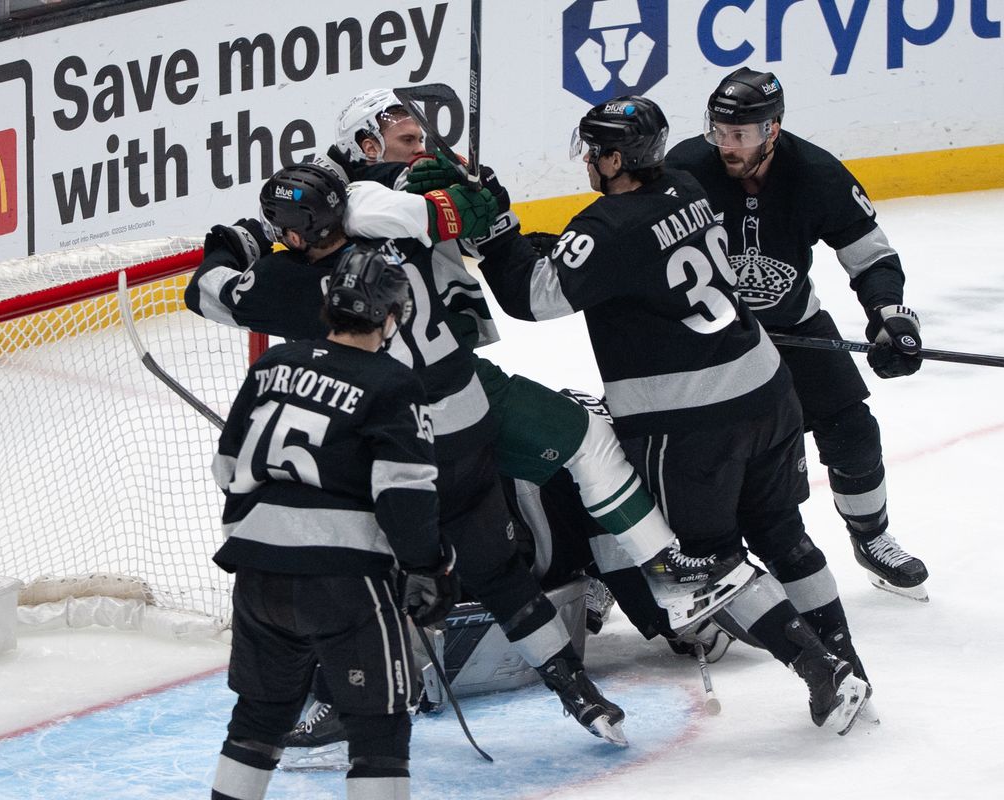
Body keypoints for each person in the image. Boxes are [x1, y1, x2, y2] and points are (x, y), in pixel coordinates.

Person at [186, 163, 628, 743]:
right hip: (470, 422)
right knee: (496, 571)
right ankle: (578, 690)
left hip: (403, 443)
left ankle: (345, 701)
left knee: (361, 577)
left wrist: (229, 248)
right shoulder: (395, 240)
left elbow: (207, 292)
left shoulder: (289, 282)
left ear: (294, 231)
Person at [472, 94, 872, 734]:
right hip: (767, 390)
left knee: (700, 563)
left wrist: (494, 237)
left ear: (612, 157)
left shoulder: (605, 228)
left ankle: (818, 666)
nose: (588, 162)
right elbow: (592, 257)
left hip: (691, 420)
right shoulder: (685, 186)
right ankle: (850, 664)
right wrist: (514, 235)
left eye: (593, 150)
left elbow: (533, 294)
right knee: (782, 531)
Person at [330, 88, 753, 629]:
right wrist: (456, 198)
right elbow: (399, 208)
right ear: (367, 145)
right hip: (403, 404)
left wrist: (483, 201)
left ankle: (647, 573)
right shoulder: (353, 202)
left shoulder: (397, 182)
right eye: (407, 140)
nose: (422, 149)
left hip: (454, 380)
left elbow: (456, 212)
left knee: (579, 444)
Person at [665, 67, 929, 601]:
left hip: (794, 322)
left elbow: (870, 255)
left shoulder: (816, 173)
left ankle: (871, 537)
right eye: (718, 131)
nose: (725, 144)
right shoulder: (685, 169)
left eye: (739, 134)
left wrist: (889, 314)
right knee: (688, 448)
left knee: (852, 427)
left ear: (772, 129)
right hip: (709, 335)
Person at [208, 245, 457, 800]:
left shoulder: (272, 364)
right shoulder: (393, 383)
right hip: (344, 583)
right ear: (391, 317)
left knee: (259, 715)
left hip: (257, 575)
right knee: (379, 727)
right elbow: (403, 492)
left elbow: (227, 468)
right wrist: (429, 567)